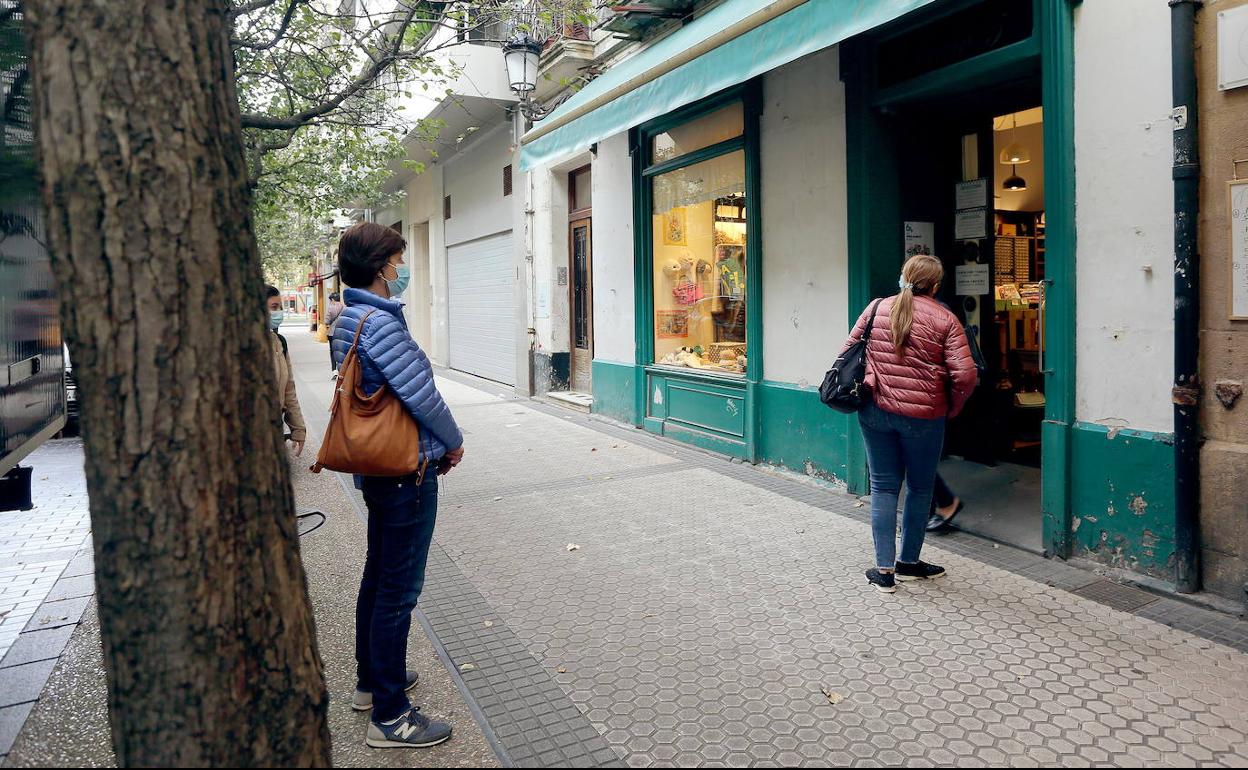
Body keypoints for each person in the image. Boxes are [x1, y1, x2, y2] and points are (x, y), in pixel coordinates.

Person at [331, 222, 465, 749]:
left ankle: (372, 681)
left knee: (378, 575)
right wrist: (453, 442)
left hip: (378, 467)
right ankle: (391, 716)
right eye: (398, 259)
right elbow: (421, 395)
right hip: (406, 470)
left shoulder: (349, 317)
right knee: (399, 589)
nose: (402, 268)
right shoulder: (380, 322)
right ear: (382, 265)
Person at [839, 254, 976, 593]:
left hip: (875, 412)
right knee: (920, 488)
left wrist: (872, 379)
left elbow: (847, 353)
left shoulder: (875, 309)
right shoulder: (945, 319)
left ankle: (884, 571)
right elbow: (965, 375)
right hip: (924, 417)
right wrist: (951, 406)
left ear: (903, 277)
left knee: (884, 488)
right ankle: (909, 563)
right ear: (935, 285)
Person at [266, 285, 306, 457]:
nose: (278, 313)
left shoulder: (279, 341)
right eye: (274, 307)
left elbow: (289, 389)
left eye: (279, 307)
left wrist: (298, 429)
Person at [325, 291, 345, 373]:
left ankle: (334, 370)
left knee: (332, 350)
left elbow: (327, 321)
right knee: (341, 350)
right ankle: (342, 369)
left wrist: (327, 324)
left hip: (332, 333)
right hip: (342, 332)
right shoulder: (344, 307)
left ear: (332, 299)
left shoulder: (331, 308)